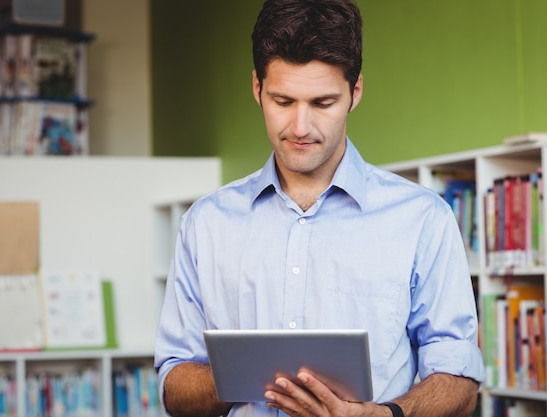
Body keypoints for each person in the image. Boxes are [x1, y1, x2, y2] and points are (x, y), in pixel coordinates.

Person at [154, 0, 485, 416]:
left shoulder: (423, 219)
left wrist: (384, 415)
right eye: (283, 101)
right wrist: (253, 371)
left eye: (323, 103)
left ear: (355, 93)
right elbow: (174, 388)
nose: (300, 128)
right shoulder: (205, 224)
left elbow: (459, 380)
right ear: (257, 88)